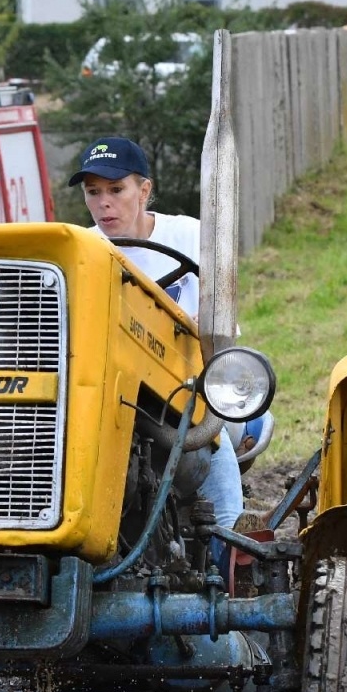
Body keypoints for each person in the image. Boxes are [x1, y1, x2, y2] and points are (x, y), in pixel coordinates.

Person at [69, 137, 258, 534]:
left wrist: (196, 323)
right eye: (93, 192)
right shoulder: (82, 250)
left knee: (207, 445)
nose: (104, 203)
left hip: (186, 392)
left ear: (144, 190)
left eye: (116, 189)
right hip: (112, 396)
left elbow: (224, 334)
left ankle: (230, 555)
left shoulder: (191, 236)